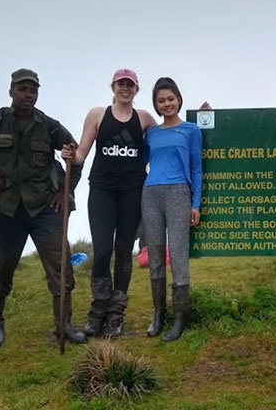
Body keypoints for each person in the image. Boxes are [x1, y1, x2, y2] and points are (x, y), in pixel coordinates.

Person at [0, 68, 86, 349]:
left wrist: (65, 190)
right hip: (7, 209)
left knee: (61, 268)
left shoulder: (50, 126)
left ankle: (63, 324)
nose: (28, 95)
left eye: (33, 90)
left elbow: (75, 156)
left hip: (44, 209)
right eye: (23, 89)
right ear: (11, 91)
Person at [62, 69, 157, 339]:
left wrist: (203, 114)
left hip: (132, 191)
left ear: (136, 90)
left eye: (130, 85)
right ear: (112, 87)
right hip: (102, 190)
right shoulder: (97, 115)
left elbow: (170, 134)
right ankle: (98, 309)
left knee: (123, 249)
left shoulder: (145, 119)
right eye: (121, 84)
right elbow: (81, 153)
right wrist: (70, 154)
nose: (125, 89)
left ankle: (116, 314)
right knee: (102, 250)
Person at [142, 77, 202, 341]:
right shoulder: (151, 133)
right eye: (161, 100)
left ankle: (180, 319)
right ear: (155, 104)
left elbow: (197, 169)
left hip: (179, 193)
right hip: (150, 194)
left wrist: (195, 203)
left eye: (170, 98)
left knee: (178, 255)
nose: (166, 104)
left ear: (178, 99)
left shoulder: (191, 130)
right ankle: (158, 315)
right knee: (154, 255)